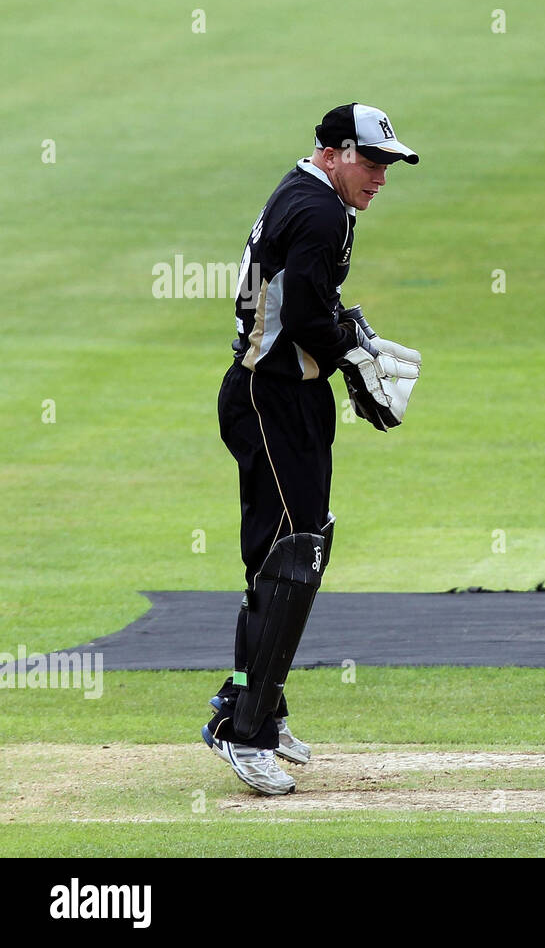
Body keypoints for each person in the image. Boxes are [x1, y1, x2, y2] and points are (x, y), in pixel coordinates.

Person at [202, 103, 423, 795]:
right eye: (370, 161)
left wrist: (345, 338)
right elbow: (299, 316)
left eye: (387, 165)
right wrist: (355, 357)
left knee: (293, 550)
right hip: (271, 397)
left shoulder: (309, 197)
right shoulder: (322, 210)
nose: (380, 177)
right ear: (331, 152)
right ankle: (247, 731)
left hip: (284, 394)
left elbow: (307, 300)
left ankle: (249, 705)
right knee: (291, 556)